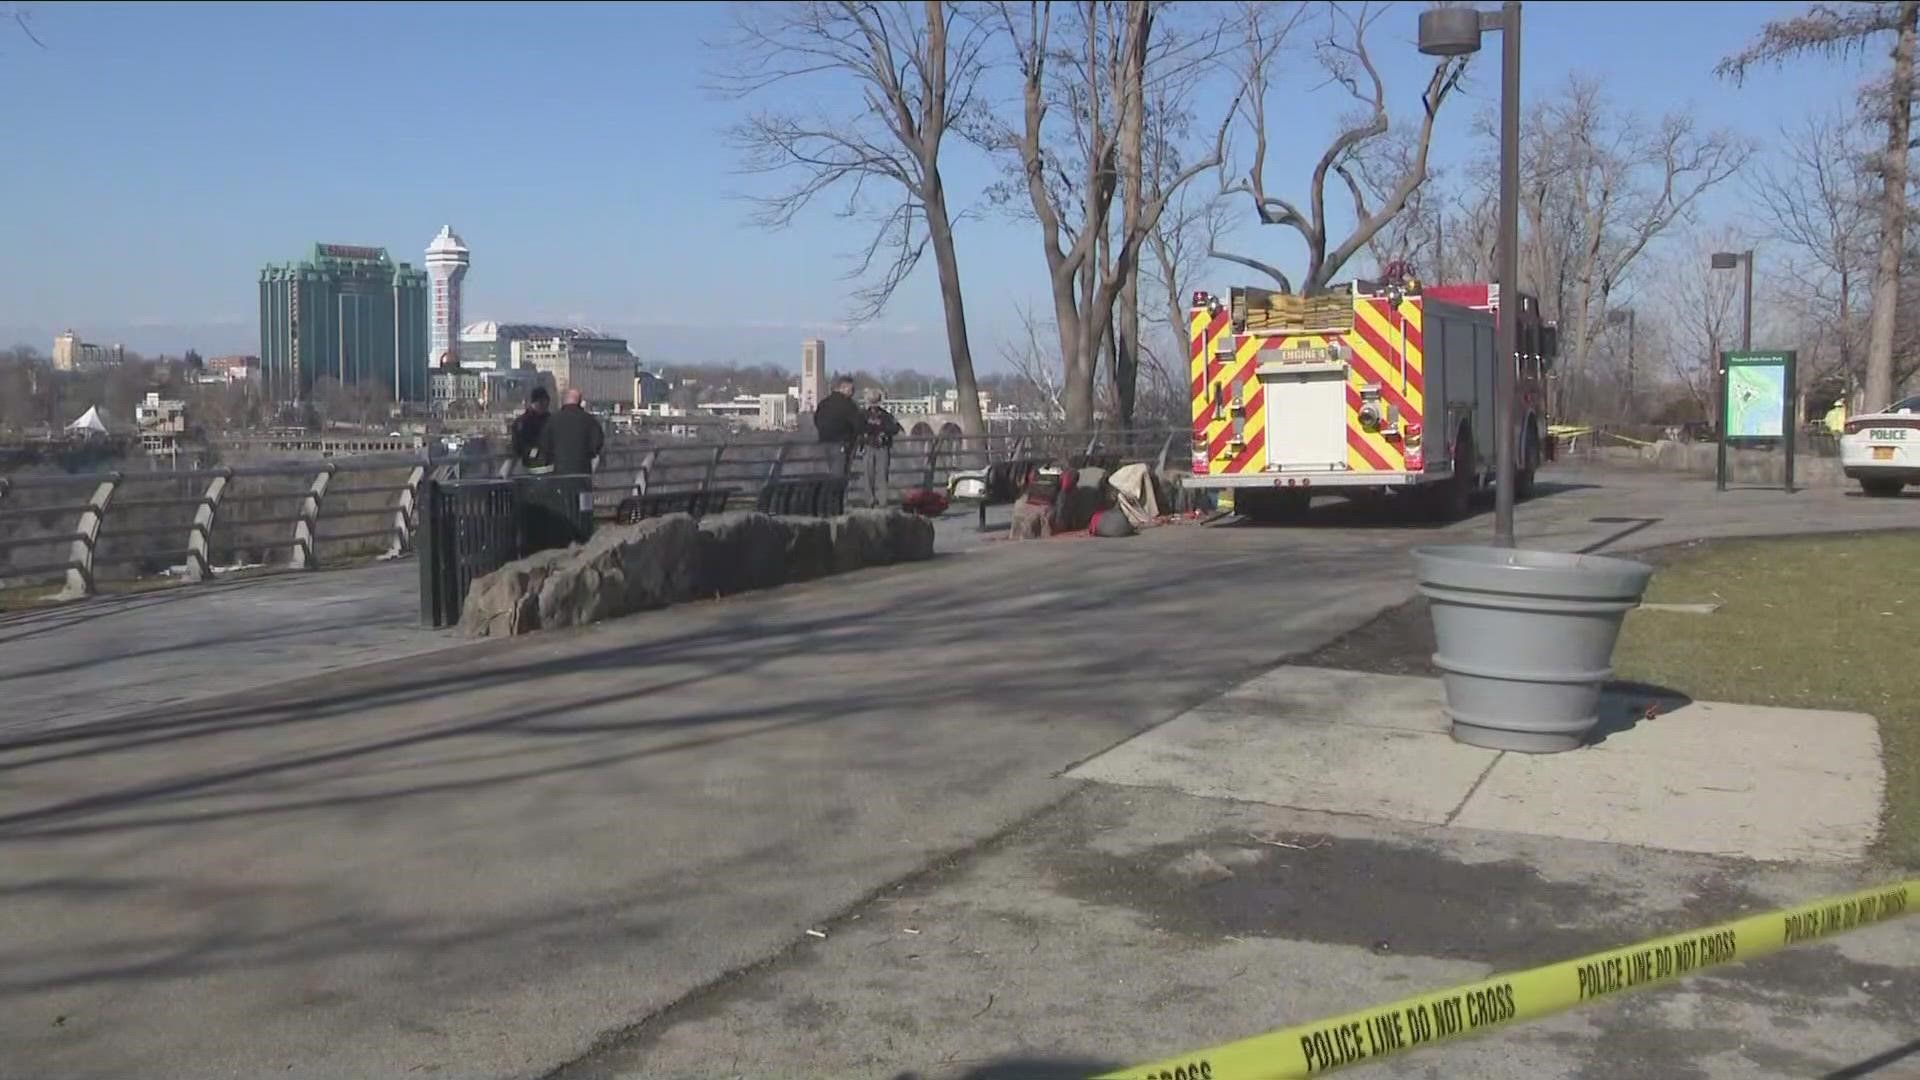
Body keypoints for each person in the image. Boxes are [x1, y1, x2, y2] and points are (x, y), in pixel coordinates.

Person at [538, 387, 605, 476]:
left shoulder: (552, 420)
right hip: (582, 472)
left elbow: (544, 446)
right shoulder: (590, 420)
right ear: (580, 402)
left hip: (558, 473)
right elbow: (597, 445)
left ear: (563, 401)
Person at [859, 388, 903, 508]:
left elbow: (896, 428)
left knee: (882, 475)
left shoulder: (885, 415)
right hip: (868, 446)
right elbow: (858, 428)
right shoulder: (862, 415)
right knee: (868, 475)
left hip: (882, 447)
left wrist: (884, 432)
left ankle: (882, 501)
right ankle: (870, 501)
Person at [812, 375, 863, 477]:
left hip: (825, 441)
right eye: (851, 389)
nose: (852, 392)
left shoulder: (824, 403)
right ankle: (837, 492)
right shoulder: (848, 404)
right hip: (842, 442)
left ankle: (831, 491)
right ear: (843, 388)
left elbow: (816, 419)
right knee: (839, 473)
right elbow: (858, 423)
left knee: (830, 471)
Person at [509, 387, 552, 472]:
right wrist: (533, 452)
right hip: (529, 465)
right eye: (541, 402)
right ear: (534, 403)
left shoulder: (551, 420)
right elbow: (518, 446)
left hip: (549, 464)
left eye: (546, 403)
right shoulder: (523, 422)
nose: (544, 406)